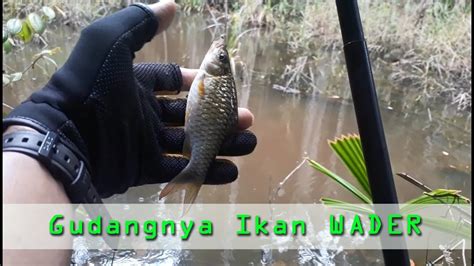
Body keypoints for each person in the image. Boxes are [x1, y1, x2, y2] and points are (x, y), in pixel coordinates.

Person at [2, 1, 257, 264]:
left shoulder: (211, 81)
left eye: (221, 59)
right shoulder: (211, 81)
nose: (218, 53)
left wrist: (52, 131)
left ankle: (192, 174)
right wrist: (60, 142)